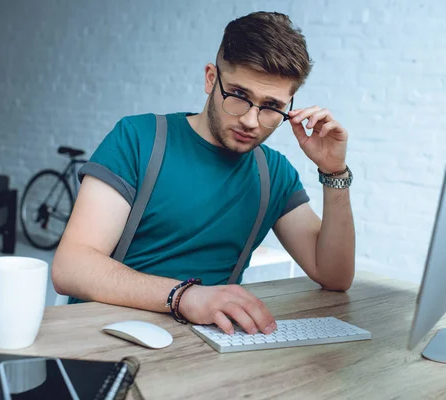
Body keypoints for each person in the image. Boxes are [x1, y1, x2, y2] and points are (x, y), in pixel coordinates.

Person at [51, 11, 355, 336]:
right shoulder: (138, 139)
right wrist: (184, 296)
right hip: (107, 339)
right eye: (239, 96)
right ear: (211, 78)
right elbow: (72, 266)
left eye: (270, 106)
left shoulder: (274, 173)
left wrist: (333, 171)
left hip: (207, 353)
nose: (251, 121)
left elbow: (334, 277)